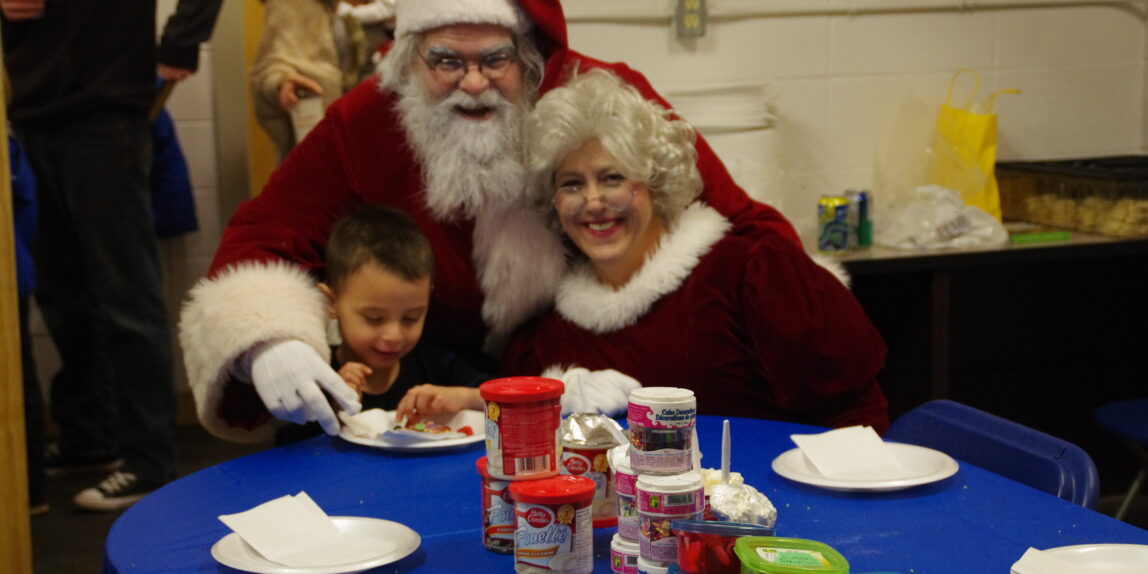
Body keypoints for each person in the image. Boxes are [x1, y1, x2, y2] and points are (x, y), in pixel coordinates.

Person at [179, 0, 803, 444]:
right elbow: (266, 231)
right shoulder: (363, 124)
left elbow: (730, 217)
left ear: (527, 55)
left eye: (495, 59)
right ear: (407, 59)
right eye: (446, 60)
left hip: (592, 390)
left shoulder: (598, 91)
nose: (473, 83)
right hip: (433, 405)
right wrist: (268, 339)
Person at [502, 70, 890, 431]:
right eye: (572, 184)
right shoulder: (553, 338)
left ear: (654, 183)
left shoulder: (750, 273)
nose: (593, 200)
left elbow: (857, 416)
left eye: (612, 178)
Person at [1, 0, 222, 511]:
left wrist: (183, 39)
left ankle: (150, 462)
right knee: (60, 292)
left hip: (106, 108)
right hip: (34, 104)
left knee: (126, 295)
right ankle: (88, 437)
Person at [272, 204, 491, 444]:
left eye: (411, 318)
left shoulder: (431, 361)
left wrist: (463, 397)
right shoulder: (317, 372)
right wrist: (335, 407)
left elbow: (501, 397)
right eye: (374, 318)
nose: (394, 335)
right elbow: (294, 455)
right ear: (331, 303)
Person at [250, 0, 395, 160]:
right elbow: (270, 67)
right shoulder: (289, 4)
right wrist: (281, 82)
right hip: (320, 137)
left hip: (370, 135)